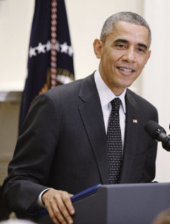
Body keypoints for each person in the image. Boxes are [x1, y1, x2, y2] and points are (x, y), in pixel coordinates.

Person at [3, 11, 158, 224]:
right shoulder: (55, 104)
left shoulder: (147, 114)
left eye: (140, 49)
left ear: (147, 57)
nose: (130, 57)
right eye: (121, 45)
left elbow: (141, 185)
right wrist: (46, 195)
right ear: (98, 48)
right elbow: (16, 184)